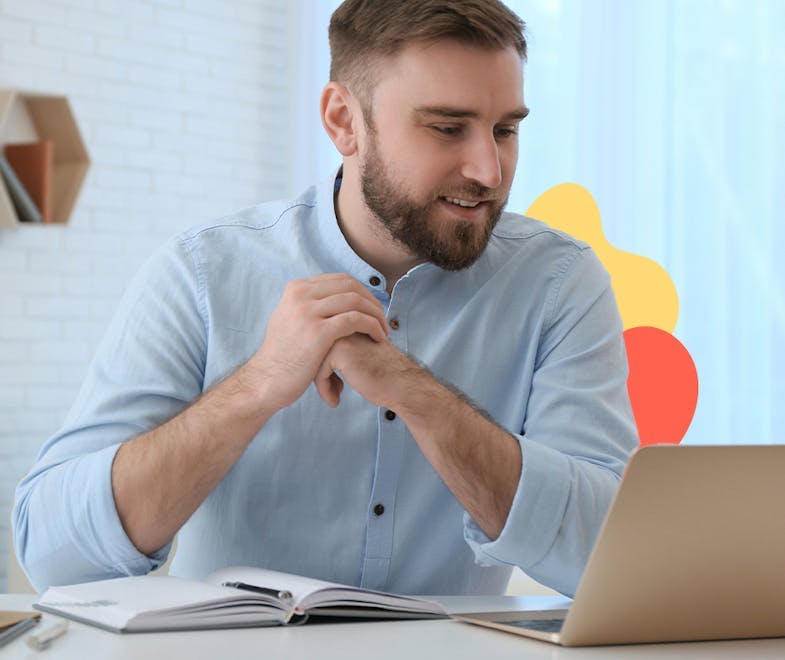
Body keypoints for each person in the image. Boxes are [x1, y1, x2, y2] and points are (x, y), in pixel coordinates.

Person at [13, 0, 637, 597]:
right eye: (447, 128)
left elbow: (611, 560)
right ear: (343, 121)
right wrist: (260, 383)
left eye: (504, 130)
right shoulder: (202, 273)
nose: (488, 170)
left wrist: (416, 394)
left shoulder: (560, 285)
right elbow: (55, 556)